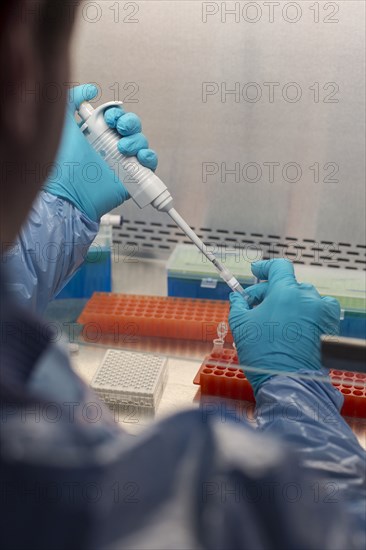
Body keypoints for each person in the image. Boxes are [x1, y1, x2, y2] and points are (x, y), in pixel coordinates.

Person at [0, 1, 365, 549]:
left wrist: (59, 209)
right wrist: (297, 386)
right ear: (19, 62)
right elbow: (331, 529)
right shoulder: (183, 499)